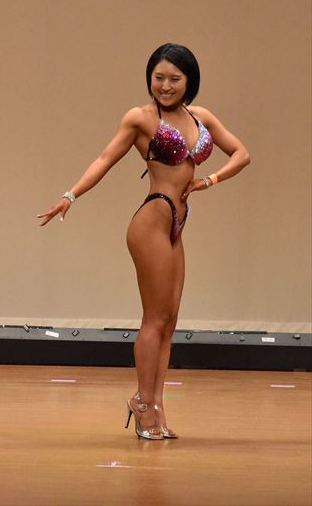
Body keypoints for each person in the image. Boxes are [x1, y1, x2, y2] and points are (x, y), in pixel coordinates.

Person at [37, 43, 249, 439]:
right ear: (149, 78)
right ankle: (143, 402)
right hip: (152, 221)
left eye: (174, 78)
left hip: (177, 225)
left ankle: (155, 404)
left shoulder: (200, 117)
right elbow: (104, 159)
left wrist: (209, 180)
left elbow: (241, 153)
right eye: (158, 77)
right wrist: (70, 196)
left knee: (169, 322)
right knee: (154, 319)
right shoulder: (140, 118)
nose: (165, 85)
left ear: (189, 81)